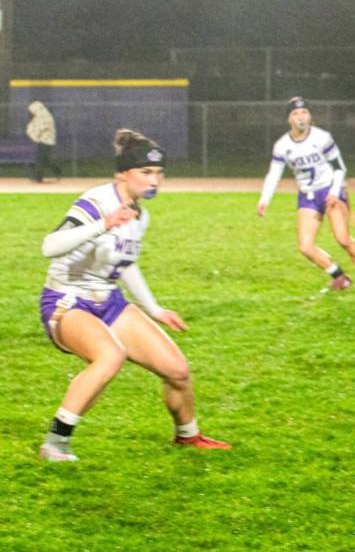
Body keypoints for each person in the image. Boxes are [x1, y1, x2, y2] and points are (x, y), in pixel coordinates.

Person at [37, 129, 231, 462]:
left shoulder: (140, 215)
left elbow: (125, 264)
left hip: (109, 300)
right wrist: (104, 224)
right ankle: (56, 443)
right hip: (67, 300)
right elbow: (49, 246)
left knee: (177, 370)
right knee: (110, 356)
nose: (154, 180)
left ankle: (188, 436)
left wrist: (154, 308)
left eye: (159, 173)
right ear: (122, 173)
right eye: (146, 172)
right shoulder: (96, 202)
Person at [258, 96, 355, 292]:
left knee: (342, 239)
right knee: (305, 247)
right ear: (289, 119)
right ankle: (340, 277)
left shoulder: (322, 137)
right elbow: (274, 173)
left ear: (310, 116)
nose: (300, 117)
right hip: (308, 196)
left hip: (331, 190)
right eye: (295, 113)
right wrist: (264, 200)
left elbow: (340, 168)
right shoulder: (282, 145)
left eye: (304, 112)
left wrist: (335, 191)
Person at [26, 100, 61, 182]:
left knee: (40, 160)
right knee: (45, 160)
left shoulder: (45, 116)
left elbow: (40, 128)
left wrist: (35, 135)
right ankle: (57, 171)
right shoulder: (39, 116)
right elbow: (31, 126)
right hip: (42, 141)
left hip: (47, 141)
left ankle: (38, 178)